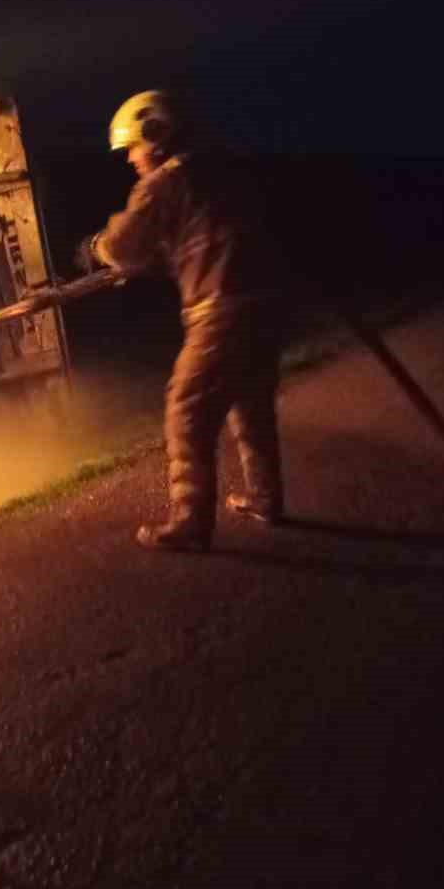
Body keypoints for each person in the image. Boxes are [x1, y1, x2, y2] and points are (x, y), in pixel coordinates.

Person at [80, 90, 294, 551]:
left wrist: (94, 248)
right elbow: (203, 234)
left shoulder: (163, 183)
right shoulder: (219, 171)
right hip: (265, 302)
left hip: (221, 309)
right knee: (251, 405)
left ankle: (191, 524)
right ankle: (265, 500)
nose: (132, 158)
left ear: (157, 135)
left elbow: (123, 247)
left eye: (135, 147)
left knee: (187, 408)